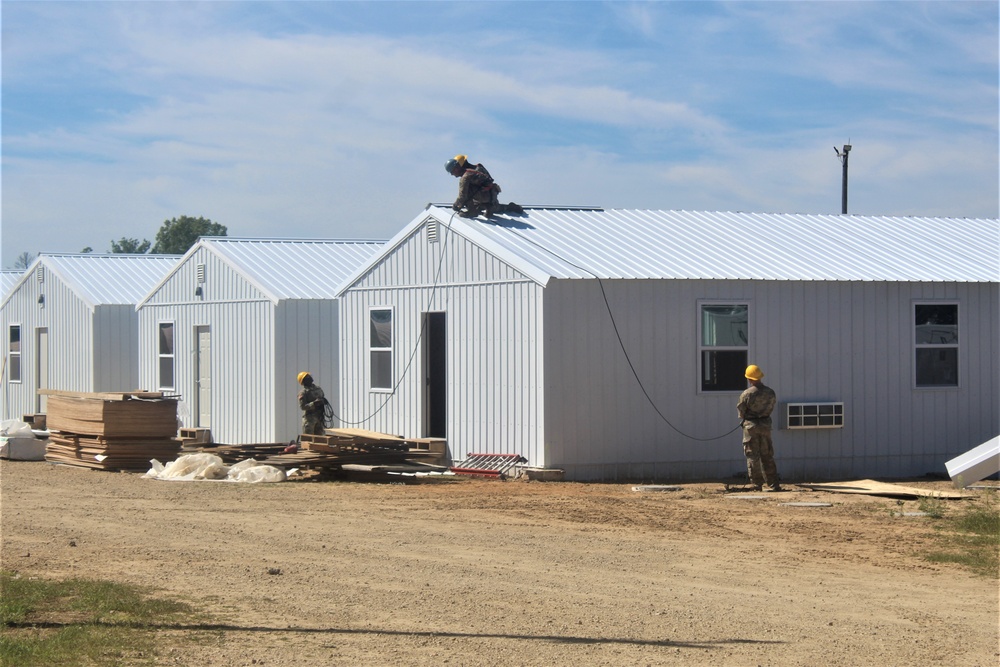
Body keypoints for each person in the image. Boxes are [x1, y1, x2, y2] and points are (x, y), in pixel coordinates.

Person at [737, 364, 781, 492]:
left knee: (752, 456)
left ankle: (757, 484)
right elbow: (771, 407)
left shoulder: (746, 394)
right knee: (767, 455)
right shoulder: (770, 392)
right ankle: (773, 484)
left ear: (749, 379)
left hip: (751, 427)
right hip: (766, 425)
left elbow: (741, 412)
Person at [445, 154, 523, 218]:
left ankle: (473, 212)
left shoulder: (466, 177)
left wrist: (456, 205)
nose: (452, 174)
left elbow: (462, 196)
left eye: (451, 172)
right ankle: (491, 207)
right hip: (491, 195)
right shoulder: (474, 171)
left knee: (465, 191)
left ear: (456, 168)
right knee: (497, 208)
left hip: (485, 196)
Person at [297, 371, 327, 435]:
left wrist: (323, 401)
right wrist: (314, 403)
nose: (309, 377)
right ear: (303, 381)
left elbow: (323, 397)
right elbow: (303, 407)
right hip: (309, 419)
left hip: (319, 417)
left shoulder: (318, 389)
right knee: (308, 439)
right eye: (307, 377)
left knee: (320, 439)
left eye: (309, 376)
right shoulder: (303, 393)